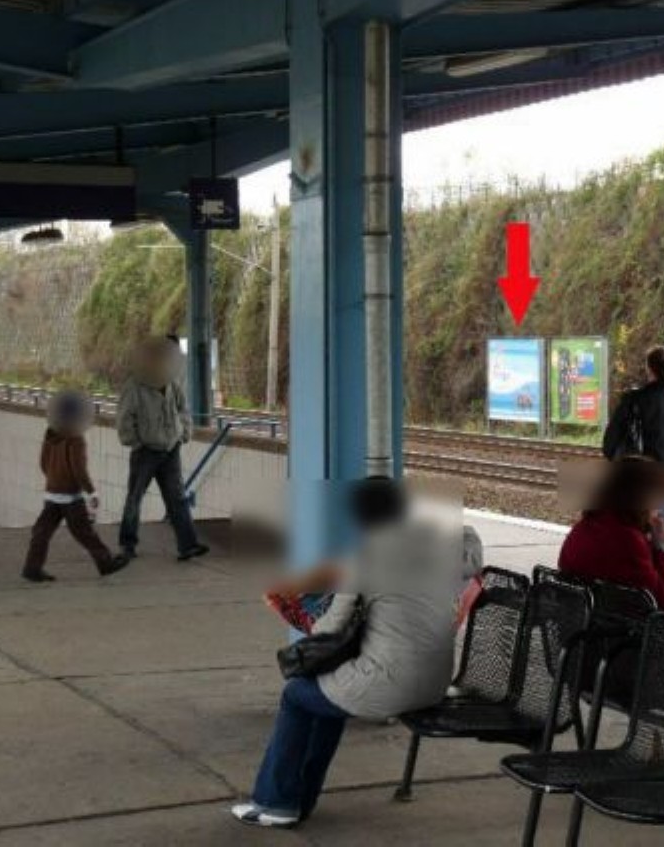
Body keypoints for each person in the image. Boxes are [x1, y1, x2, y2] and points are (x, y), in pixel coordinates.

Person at [231, 478, 459, 829]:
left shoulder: (364, 556)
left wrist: (300, 614)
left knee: (297, 695)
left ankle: (276, 802)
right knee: (325, 696)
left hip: (393, 684)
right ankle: (298, 800)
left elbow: (331, 627)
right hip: (436, 682)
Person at [601, 346, 664, 571]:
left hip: (639, 479)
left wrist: (618, 464)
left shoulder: (634, 400)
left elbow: (610, 442)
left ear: (650, 369)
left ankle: (641, 582)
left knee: (638, 536)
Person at [116, 337, 209, 561]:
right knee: (135, 498)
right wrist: (136, 442)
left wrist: (184, 433)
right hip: (145, 451)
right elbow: (124, 419)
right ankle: (127, 544)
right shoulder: (134, 387)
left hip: (171, 449)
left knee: (177, 498)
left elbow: (183, 409)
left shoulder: (172, 384)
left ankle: (188, 545)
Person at [22, 391, 129, 582]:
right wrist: (91, 492)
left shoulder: (50, 435)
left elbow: (43, 463)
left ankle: (32, 568)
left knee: (42, 532)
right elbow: (79, 470)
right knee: (85, 533)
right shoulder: (76, 440)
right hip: (70, 496)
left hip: (51, 493)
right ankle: (105, 563)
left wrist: (54, 479)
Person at [559, 456, 664, 609]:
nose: (660, 507)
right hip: (613, 621)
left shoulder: (584, 527)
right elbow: (661, 601)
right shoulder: (628, 540)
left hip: (579, 616)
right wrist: (662, 547)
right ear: (641, 498)